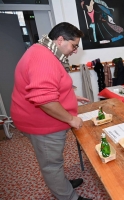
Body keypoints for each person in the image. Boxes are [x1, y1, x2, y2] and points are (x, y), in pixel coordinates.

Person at [11, 22, 92, 200]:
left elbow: (48, 87)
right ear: (60, 40)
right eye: (74, 46)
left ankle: (61, 184)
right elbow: (45, 100)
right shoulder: (43, 58)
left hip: (41, 119)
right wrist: (71, 119)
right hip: (41, 124)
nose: (75, 50)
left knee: (54, 160)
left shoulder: (44, 50)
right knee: (51, 164)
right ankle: (67, 196)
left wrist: (70, 97)